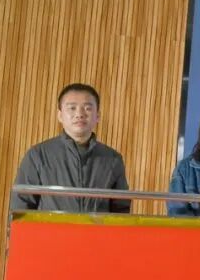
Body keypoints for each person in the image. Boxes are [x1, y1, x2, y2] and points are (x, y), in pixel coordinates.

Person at [11, 83, 130, 213]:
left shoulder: (112, 159)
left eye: (87, 108)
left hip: (97, 227)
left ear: (98, 116)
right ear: (60, 115)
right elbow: (21, 205)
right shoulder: (38, 155)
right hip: (51, 227)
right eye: (72, 108)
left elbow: (121, 210)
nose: (79, 114)